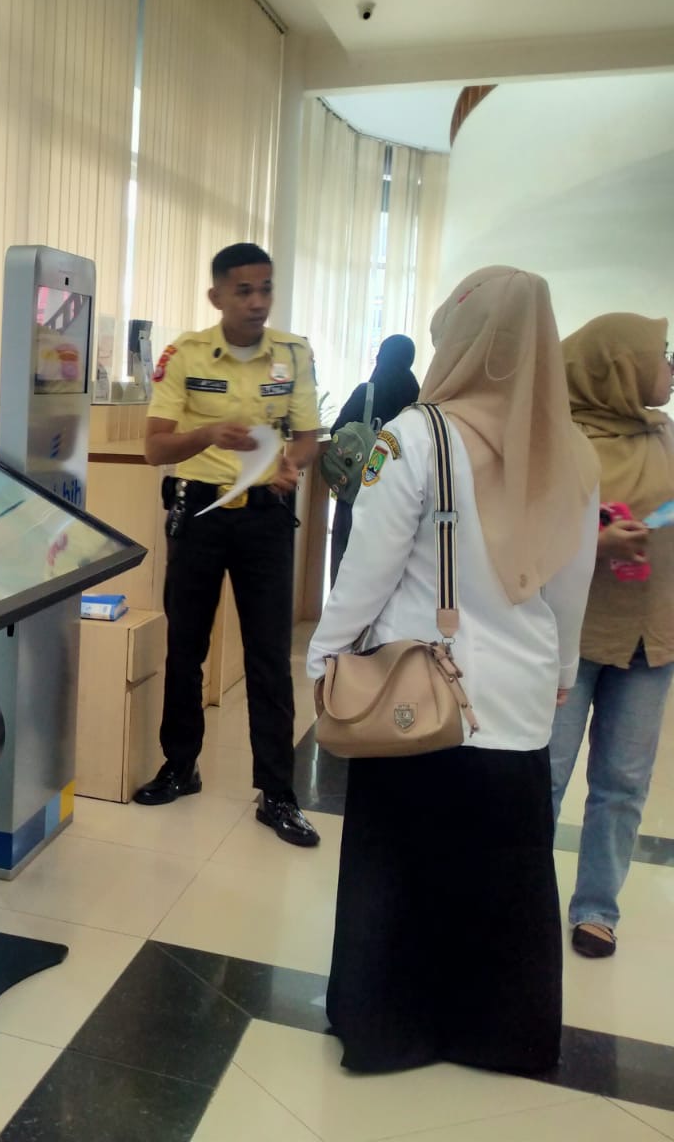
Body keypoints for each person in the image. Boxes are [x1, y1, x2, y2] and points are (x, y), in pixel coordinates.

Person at [308, 266, 600, 1074]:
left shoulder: (413, 438)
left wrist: (325, 656)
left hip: (416, 692)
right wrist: (563, 669)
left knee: (397, 866)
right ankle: (500, 1034)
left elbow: (365, 574)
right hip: (519, 699)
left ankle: (389, 1029)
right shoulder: (572, 452)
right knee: (506, 872)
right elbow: (570, 586)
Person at [137, 242, 323, 847]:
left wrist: (293, 463)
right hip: (199, 513)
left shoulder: (292, 354)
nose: (257, 302)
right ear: (216, 295)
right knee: (185, 647)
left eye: (265, 289)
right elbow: (155, 448)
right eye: (244, 291)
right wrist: (209, 433)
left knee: (269, 656)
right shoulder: (186, 355)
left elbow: (307, 436)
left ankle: (278, 793)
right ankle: (179, 766)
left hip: (265, 519)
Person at [549, 312, 674, 960]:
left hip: (650, 637)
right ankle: (518, 896)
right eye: (661, 355)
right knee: (544, 775)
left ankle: (597, 907)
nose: (670, 368)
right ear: (620, 366)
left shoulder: (665, 435)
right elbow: (530, 534)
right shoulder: (561, 440)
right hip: (571, 636)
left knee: (623, 782)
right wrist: (596, 543)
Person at [327, 333, 419, 584]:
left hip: (359, 487)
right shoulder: (417, 397)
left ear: (381, 356)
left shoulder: (366, 392)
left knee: (347, 558)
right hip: (399, 494)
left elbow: (337, 433)